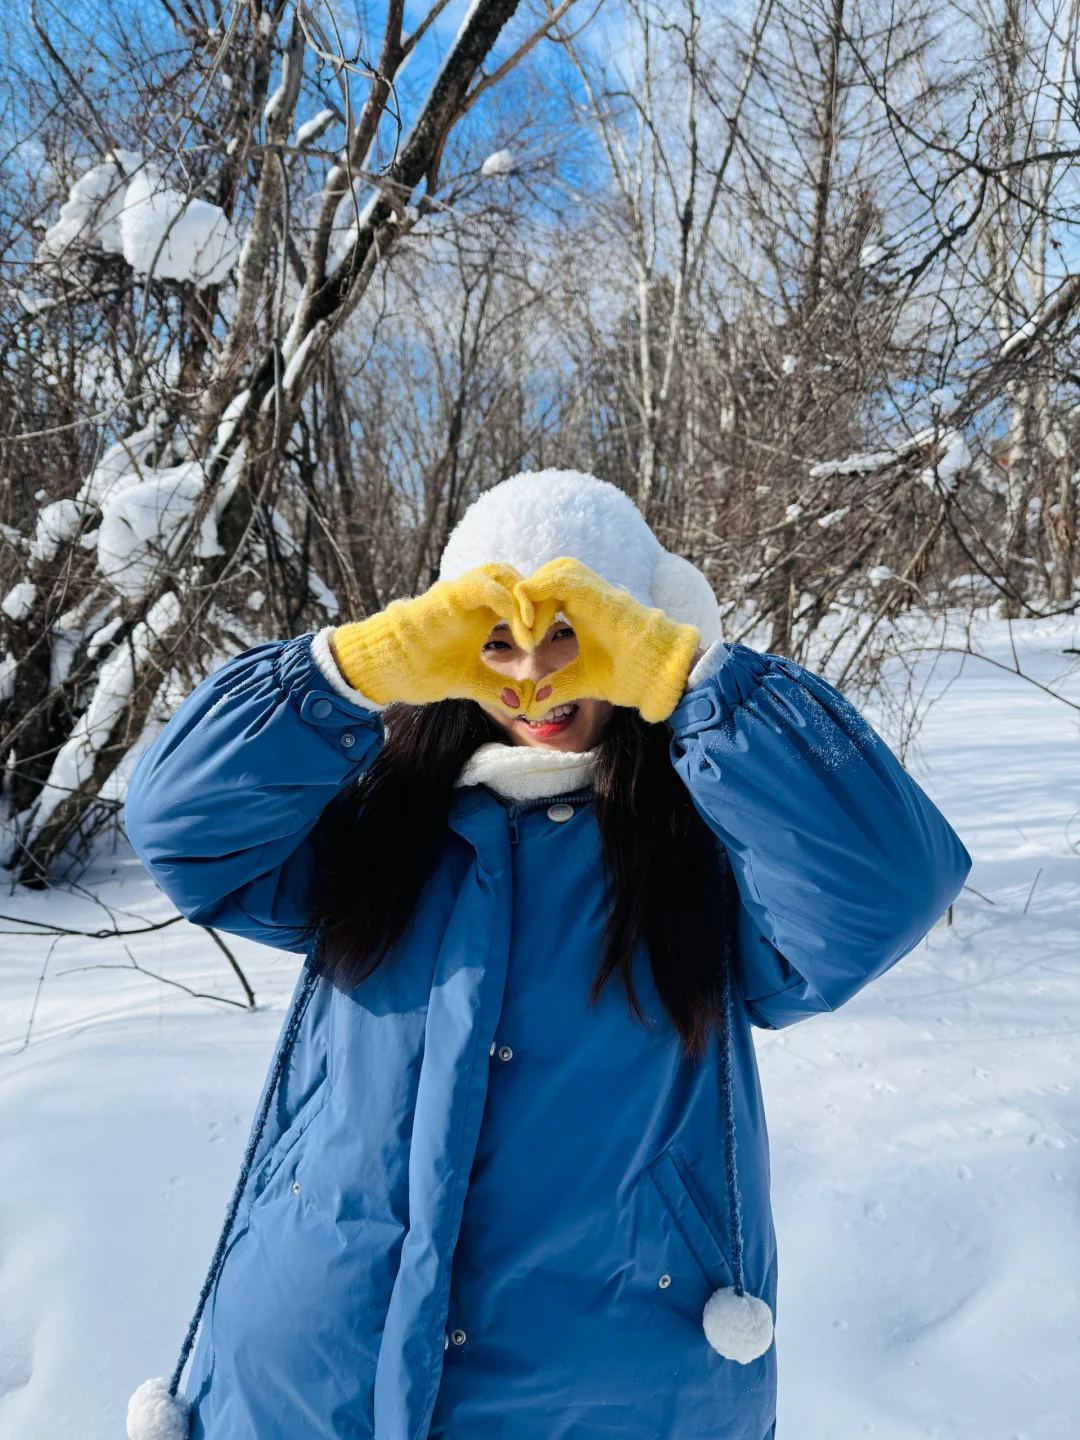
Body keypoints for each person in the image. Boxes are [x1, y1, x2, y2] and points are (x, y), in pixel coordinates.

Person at [123, 471, 970, 1440]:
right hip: (303, 1388)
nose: (534, 676)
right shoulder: (380, 829)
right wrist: (352, 670)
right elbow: (177, 828)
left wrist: (690, 682)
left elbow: (888, 886)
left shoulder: (702, 854)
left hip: (606, 1401)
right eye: (495, 641)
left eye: (573, 635)